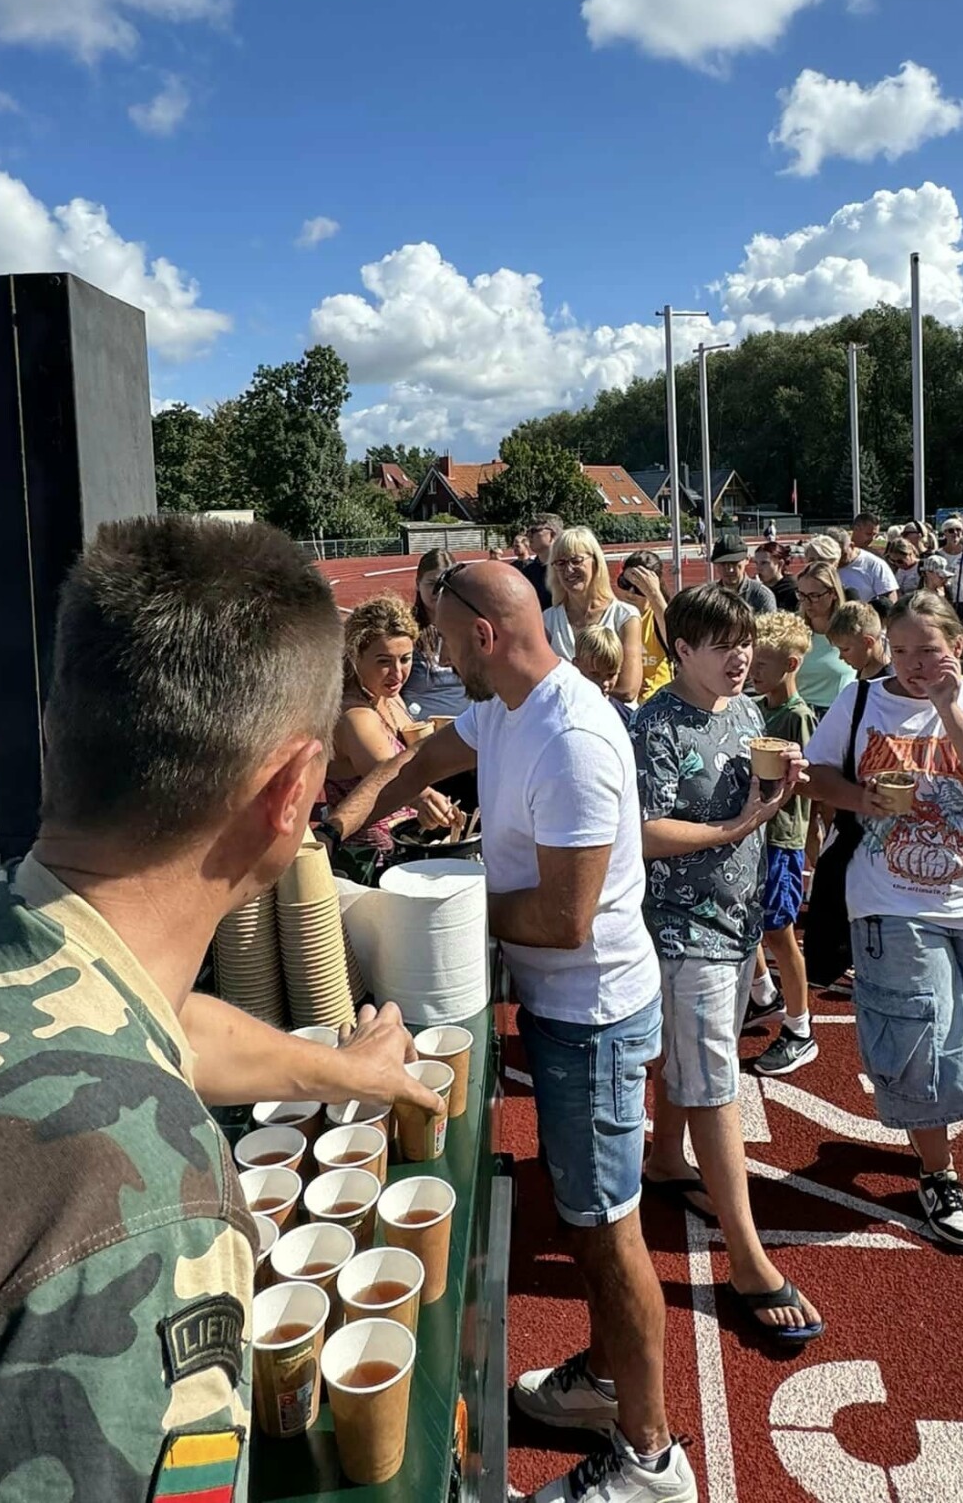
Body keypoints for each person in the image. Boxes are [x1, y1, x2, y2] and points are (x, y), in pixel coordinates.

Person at [0, 516, 442, 1498]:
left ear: (60, 730)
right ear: (291, 793)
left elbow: (141, 1019)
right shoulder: (154, 1216)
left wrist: (342, 1069)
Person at [320, 562, 696, 1503]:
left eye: (444, 638)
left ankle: (650, 1459)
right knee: (587, 1218)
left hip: (596, 1015)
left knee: (608, 1233)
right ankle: (606, 1382)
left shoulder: (571, 737)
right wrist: (359, 806)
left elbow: (565, 918)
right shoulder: (513, 708)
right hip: (569, 1012)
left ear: (485, 635)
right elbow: (434, 751)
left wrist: (447, 911)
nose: (438, 656)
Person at [803, 591, 963, 1252]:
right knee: (919, 1038)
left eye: (926, 649)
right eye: (900, 648)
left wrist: (946, 706)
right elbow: (816, 775)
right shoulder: (858, 701)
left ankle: (932, 1122)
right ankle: (939, 1172)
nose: (910, 662)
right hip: (890, 899)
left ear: (956, 648)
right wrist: (859, 798)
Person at [632, 588, 821, 1343]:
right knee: (716, 1084)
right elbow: (644, 830)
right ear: (681, 649)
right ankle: (747, 1260)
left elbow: (752, 793)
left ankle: (666, 1160)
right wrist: (741, 823)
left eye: (743, 640)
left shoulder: (744, 710)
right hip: (685, 930)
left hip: (738, 922)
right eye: (720, 643)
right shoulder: (657, 722)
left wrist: (782, 791)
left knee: (689, 1061)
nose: (740, 655)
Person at [322, 596, 455, 862]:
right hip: (370, 861)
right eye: (384, 661)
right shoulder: (355, 717)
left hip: (407, 844)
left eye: (405, 659)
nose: (397, 673)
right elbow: (392, 776)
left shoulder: (389, 696)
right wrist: (426, 798)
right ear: (355, 654)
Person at [744, 611, 818, 1078]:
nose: (754, 671)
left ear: (790, 664)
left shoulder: (797, 717)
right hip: (752, 834)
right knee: (748, 922)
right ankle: (763, 995)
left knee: (779, 932)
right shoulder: (756, 706)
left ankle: (800, 1027)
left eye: (763, 665)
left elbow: (811, 784)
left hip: (781, 839)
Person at [544, 528, 643, 702]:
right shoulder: (548, 620)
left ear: (596, 562)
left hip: (615, 720)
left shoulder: (625, 617)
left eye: (576, 561)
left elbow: (628, 690)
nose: (568, 570)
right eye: (560, 563)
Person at [404, 548, 472, 720]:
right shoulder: (406, 629)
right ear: (417, 583)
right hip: (422, 730)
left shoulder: (468, 627)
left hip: (467, 728)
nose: (438, 590)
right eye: (431, 583)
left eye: (444, 583)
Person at [794, 562, 857, 715]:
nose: (807, 603)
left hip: (839, 713)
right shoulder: (794, 629)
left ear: (833, 593)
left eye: (814, 596)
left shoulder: (852, 631)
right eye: (802, 595)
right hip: (800, 714)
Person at [617, 549, 673, 702]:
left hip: (659, 700)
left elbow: (674, 640)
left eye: (639, 588)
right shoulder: (615, 615)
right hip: (624, 703)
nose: (630, 593)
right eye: (625, 583)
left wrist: (654, 593)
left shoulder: (658, 616)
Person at [575, 625, 634, 728]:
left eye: (611, 675)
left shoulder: (628, 720)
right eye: (594, 674)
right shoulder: (563, 712)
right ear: (576, 666)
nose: (604, 683)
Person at [710, 531, 776, 617]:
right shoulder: (709, 596)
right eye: (723, 564)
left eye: (735, 563)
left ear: (747, 559)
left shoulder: (761, 595)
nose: (730, 569)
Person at [838, 524, 899, 614]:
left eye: (842, 554)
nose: (837, 559)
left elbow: (889, 599)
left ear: (851, 546)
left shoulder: (875, 564)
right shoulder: (822, 564)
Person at [827, 600, 891, 682]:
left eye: (845, 649)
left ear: (868, 642)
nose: (841, 657)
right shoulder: (861, 671)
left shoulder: (889, 685)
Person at [517, 513, 563, 611]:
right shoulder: (527, 573)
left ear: (552, 535)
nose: (528, 536)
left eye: (534, 531)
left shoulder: (567, 570)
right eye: (528, 531)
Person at [754, 540, 798, 611]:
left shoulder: (791, 590)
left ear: (780, 564)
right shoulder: (755, 588)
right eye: (756, 563)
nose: (758, 569)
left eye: (764, 563)